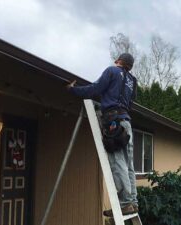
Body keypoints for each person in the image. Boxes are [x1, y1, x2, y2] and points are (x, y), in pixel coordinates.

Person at [66, 53, 138, 216]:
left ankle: (125, 203)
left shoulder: (112, 71)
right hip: (126, 123)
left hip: (114, 122)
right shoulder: (132, 82)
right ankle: (133, 202)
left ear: (118, 61)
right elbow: (131, 101)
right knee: (129, 164)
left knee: (117, 161)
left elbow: (95, 89)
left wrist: (73, 90)